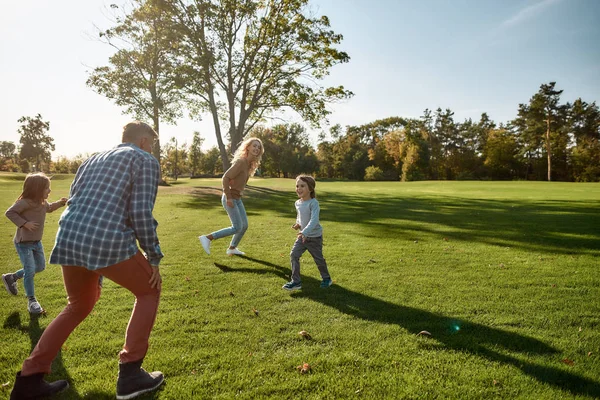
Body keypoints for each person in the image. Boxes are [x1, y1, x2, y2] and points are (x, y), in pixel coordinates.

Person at [9, 122, 165, 400]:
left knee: (79, 303)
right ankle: (130, 374)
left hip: (69, 236)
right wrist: (153, 256)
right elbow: (140, 212)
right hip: (107, 239)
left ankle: (29, 379)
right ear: (143, 141)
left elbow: (78, 201)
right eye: (151, 143)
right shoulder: (144, 159)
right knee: (149, 290)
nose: (151, 148)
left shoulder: (92, 158)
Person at [3, 173, 67, 314]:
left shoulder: (42, 203)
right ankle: (32, 302)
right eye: (46, 188)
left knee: (40, 266)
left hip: (37, 242)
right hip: (23, 243)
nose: (49, 191)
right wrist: (24, 223)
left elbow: (49, 208)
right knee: (30, 270)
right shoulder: (25, 202)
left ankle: (12, 277)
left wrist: (61, 203)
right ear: (37, 189)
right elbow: (10, 212)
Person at [198, 137, 264, 256]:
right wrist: (228, 197)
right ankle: (207, 238)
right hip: (230, 198)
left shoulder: (249, 165)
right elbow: (225, 177)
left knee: (244, 226)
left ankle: (232, 248)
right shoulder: (241, 162)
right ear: (247, 147)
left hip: (237, 198)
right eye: (254, 146)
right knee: (237, 227)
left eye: (259, 147)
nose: (256, 148)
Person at [282, 175, 333, 291]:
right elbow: (300, 217)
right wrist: (298, 224)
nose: (299, 188)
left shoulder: (313, 203)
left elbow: (314, 220)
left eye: (302, 186)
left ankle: (326, 279)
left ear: (310, 188)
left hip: (314, 237)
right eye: (297, 186)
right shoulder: (297, 203)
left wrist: (304, 231)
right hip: (302, 236)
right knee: (294, 255)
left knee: (318, 259)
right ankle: (296, 282)